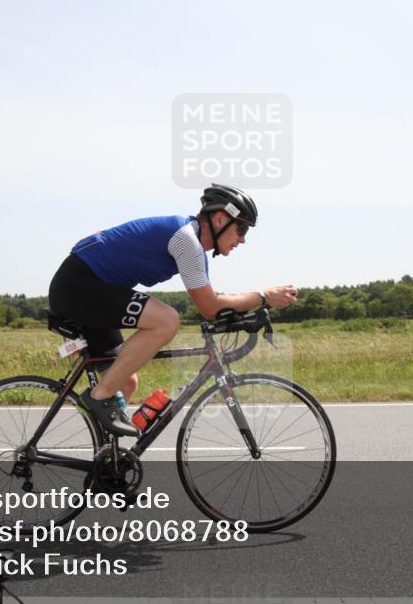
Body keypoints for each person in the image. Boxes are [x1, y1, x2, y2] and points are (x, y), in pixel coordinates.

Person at [47, 184, 299, 436]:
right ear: (221, 218)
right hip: (78, 287)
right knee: (166, 320)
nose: (243, 239)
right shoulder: (186, 239)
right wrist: (264, 296)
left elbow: (213, 303)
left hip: (90, 289)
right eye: (241, 228)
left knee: (124, 381)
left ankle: (105, 465)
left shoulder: (189, 240)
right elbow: (209, 307)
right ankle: (98, 396)